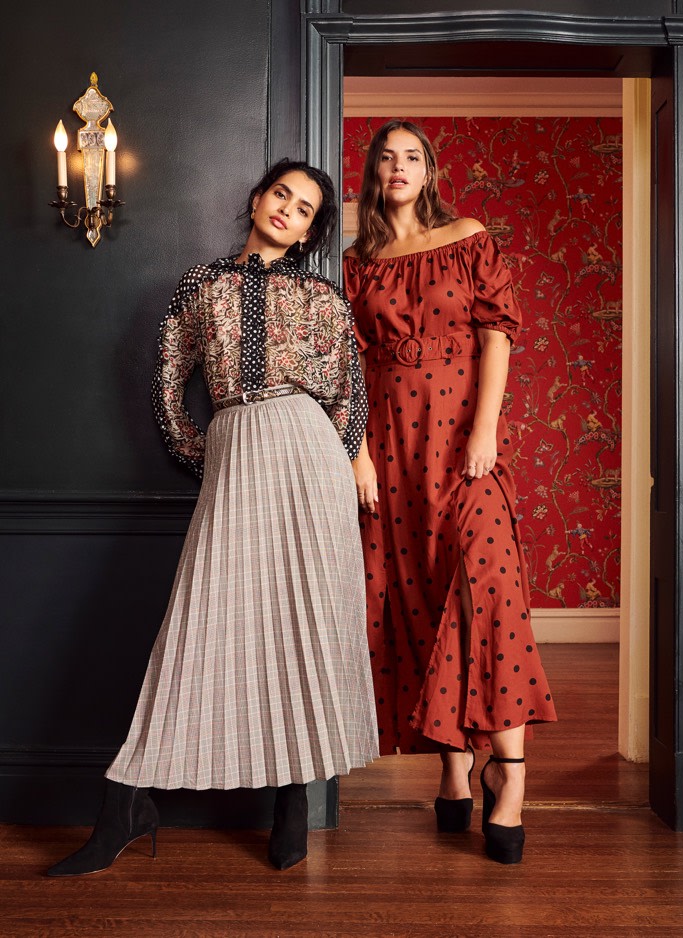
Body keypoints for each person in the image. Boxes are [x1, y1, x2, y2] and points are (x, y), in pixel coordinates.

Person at [47, 159, 379, 877]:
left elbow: (350, 390)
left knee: (308, 621)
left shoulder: (322, 293)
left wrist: (340, 454)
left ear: (312, 230)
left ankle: (296, 798)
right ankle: (126, 806)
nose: (288, 209)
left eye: (305, 207)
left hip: (310, 457)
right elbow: (168, 379)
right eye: (280, 194)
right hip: (235, 446)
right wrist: (206, 457)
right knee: (198, 623)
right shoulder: (202, 286)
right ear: (257, 199)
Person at [343, 120, 557, 864]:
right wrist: (359, 455)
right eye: (386, 158)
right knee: (423, 600)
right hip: (391, 452)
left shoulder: (468, 236)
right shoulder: (357, 264)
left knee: (489, 594)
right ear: (372, 174)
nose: (398, 168)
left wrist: (484, 431)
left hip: (463, 446)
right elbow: (349, 372)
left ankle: (511, 780)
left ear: (430, 172)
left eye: (412, 157)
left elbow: (498, 332)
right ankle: (454, 770)